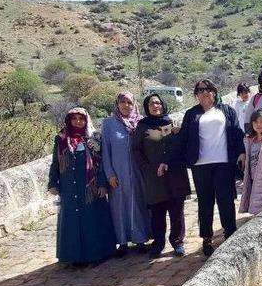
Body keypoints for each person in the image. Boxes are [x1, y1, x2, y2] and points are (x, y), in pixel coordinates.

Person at [160, 79, 245, 257]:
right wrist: (167, 160)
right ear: (196, 94)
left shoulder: (227, 111)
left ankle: (230, 233)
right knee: (205, 203)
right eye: (200, 90)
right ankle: (207, 238)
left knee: (226, 200)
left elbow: (237, 133)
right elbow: (182, 139)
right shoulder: (191, 114)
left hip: (224, 163)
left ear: (214, 92)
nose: (205, 92)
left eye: (208, 89)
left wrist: (241, 153)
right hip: (200, 166)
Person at [47, 107, 117, 266]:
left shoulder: (94, 138)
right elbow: (56, 163)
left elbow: (100, 163)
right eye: (74, 119)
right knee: (71, 220)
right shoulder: (61, 139)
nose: (78, 122)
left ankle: (97, 255)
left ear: (86, 120)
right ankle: (74, 256)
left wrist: (101, 183)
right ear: (69, 120)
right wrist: (53, 182)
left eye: (81, 118)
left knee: (92, 220)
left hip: (90, 187)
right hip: (69, 186)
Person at [132, 94, 191, 259]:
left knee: (176, 211)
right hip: (153, 176)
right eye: (151, 103)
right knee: (157, 212)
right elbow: (136, 150)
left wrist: (179, 133)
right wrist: (146, 168)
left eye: (158, 102)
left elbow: (180, 146)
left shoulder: (172, 123)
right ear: (146, 107)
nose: (155, 105)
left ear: (163, 105)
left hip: (175, 173)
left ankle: (178, 242)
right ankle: (158, 244)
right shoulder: (142, 126)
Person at [102, 91, 151, 256]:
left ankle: (140, 239)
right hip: (118, 173)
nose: (126, 105)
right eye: (123, 102)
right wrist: (110, 174)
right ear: (117, 104)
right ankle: (122, 242)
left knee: (138, 204)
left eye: (129, 102)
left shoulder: (141, 122)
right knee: (118, 207)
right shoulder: (109, 124)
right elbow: (105, 152)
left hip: (138, 173)